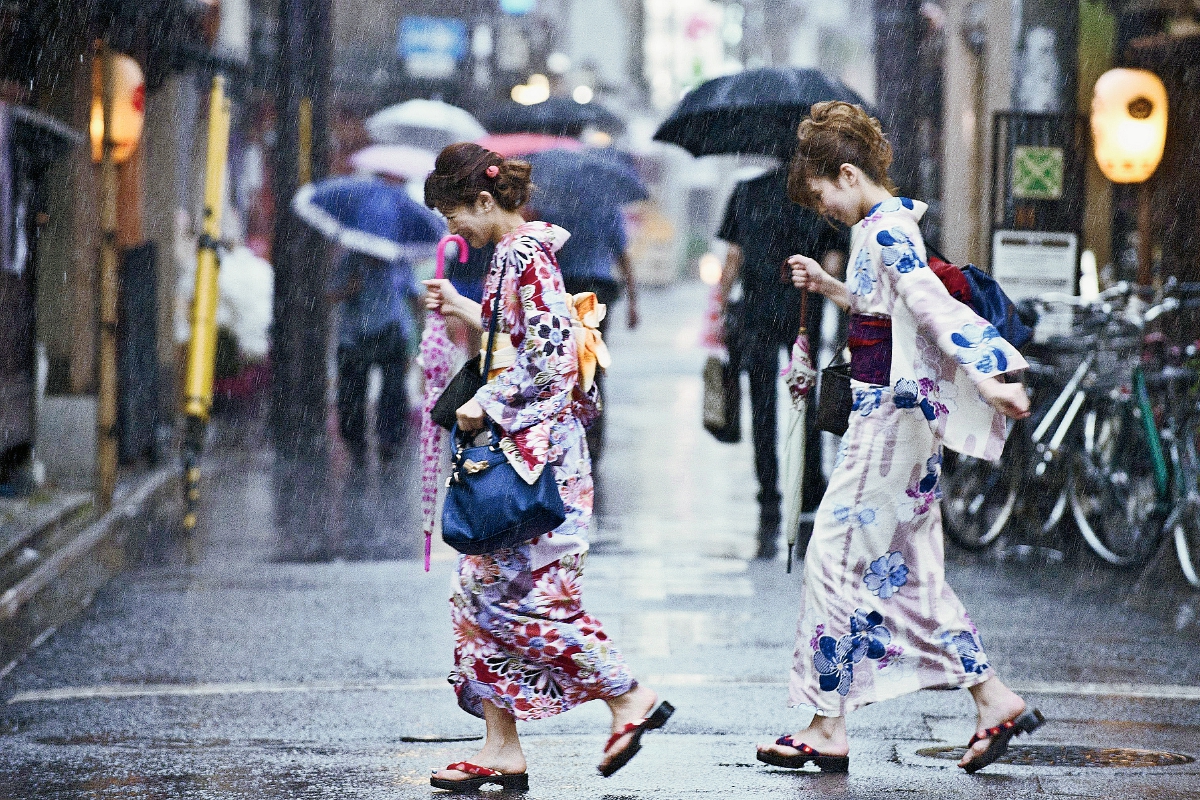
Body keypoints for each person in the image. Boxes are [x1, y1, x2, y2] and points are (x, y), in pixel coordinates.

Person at [755, 101, 1042, 774]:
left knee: (832, 559)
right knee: (911, 576)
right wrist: (830, 286)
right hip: (900, 422)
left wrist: (993, 368)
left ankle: (827, 725)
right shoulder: (888, 228)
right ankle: (992, 697)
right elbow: (887, 307)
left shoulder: (883, 233)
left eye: (825, 194)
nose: (825, 209)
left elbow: (926, 303)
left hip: (886, 424)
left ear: (848, 174)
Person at [421, 143, 672, 792]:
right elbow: (526, 338)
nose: (456, 234)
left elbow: (555, 360)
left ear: (485, 201)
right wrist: (465, 311)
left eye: (456, 220)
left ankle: (628, 696)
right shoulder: (514, 256)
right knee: (479, 595)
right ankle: (500, 747)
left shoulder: (523, 257)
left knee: (512, 603)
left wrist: (486, 402)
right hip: (526, 457)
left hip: (537, 465)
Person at [716, 164, 848, 559]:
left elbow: (734, 256)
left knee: (762, 403)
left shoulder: (746, 191)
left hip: (756, 311)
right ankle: (808, 487)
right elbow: (833, 260)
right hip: (800, 311)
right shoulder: (816, 199)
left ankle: (769, 490)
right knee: (803, 399)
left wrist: (722, 305)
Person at [533, 200, 639, 466]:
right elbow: (623, 256)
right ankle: (591, 439)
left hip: (562, 289)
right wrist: (633, 302)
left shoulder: (553, 207)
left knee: (558, 366)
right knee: (590, 367)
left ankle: (561, 438)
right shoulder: (607, 208)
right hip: (597, 291)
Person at [327, 250, 420, 466]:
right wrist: (349, 288)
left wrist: (419, 336)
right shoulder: (350, 259)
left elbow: (414, 295)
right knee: (351, 393)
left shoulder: (398, 259)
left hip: (391, 332)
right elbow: (330, 293)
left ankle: (389, 440)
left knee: (394, 390)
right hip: (354, 335)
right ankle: (355, 441)